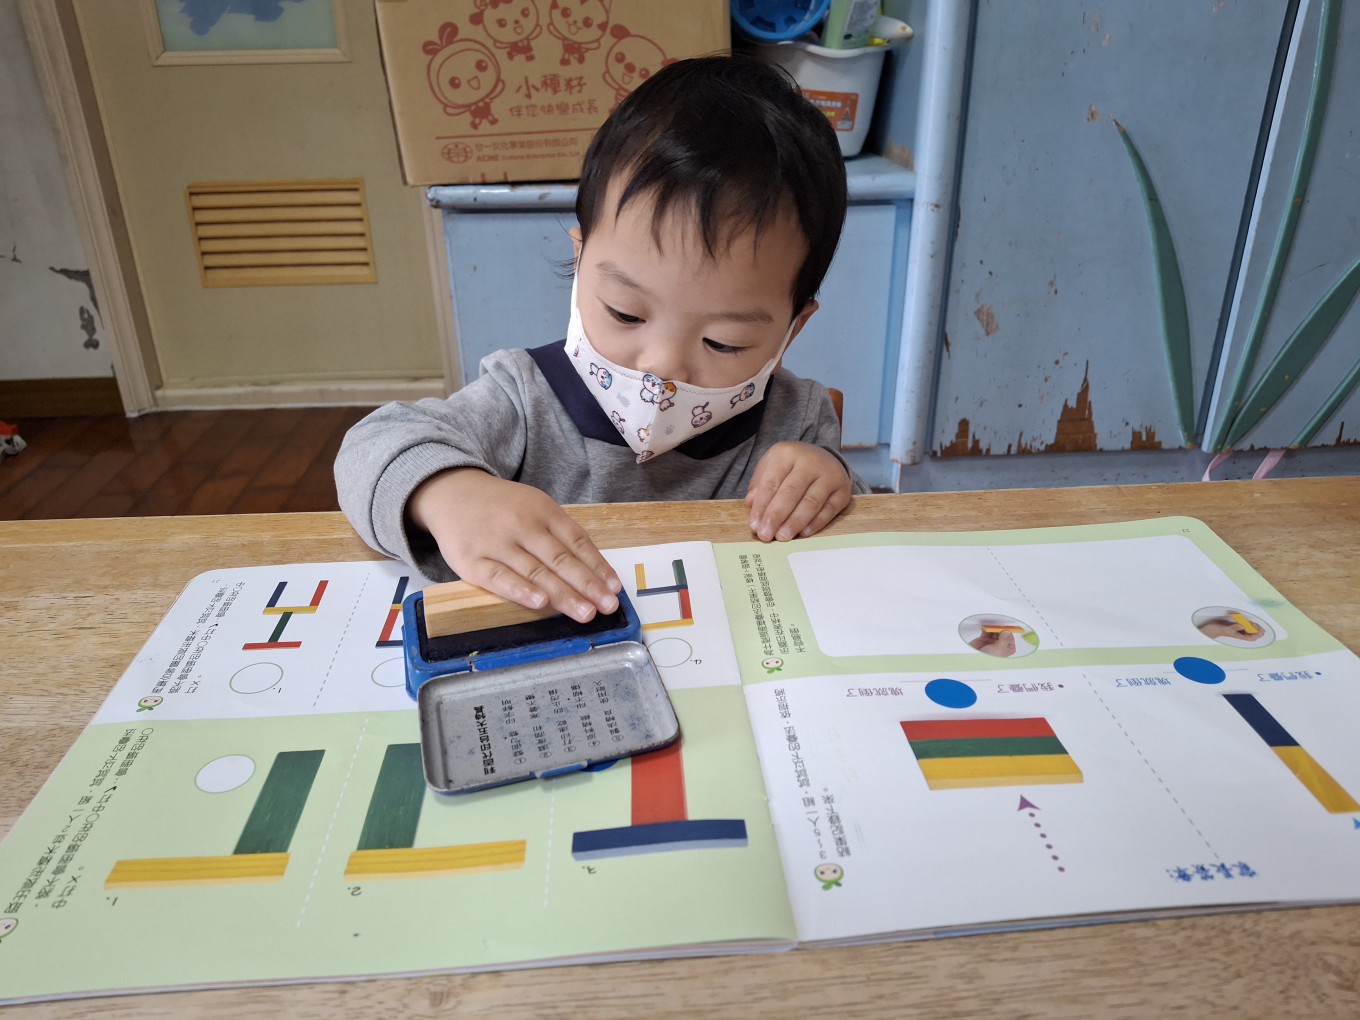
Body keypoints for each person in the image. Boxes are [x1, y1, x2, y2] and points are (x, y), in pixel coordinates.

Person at [335, 54, 869, 625]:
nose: (661, 366)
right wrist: (449, 493)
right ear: (580, 260)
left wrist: (829, 480)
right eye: (626, 313)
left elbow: (870, 537)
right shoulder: (526, 396)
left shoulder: (796, 419)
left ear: (792, 330)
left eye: (724, 342)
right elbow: (373, 445)